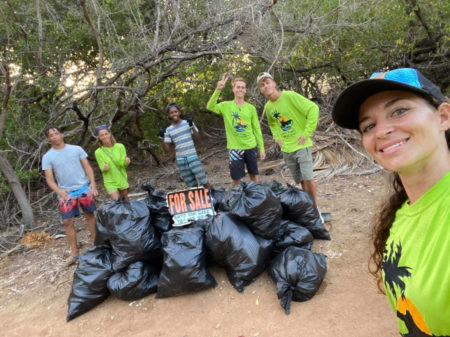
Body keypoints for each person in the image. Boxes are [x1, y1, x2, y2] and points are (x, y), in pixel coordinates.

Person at [331, 68, 450, 336]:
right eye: (369, 126)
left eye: (399, 111)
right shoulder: (399, 214)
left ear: (443, 117)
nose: (382, 131)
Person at [257, 72, 327, 226]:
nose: (265, 86)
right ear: (261, 89)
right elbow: (273, 124)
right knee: (301, 180)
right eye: (262, 85)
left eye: (267, 82)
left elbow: (313, 109)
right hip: (287, 148)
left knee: (308, 178)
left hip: (301, 145)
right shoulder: (268, 107)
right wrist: (277, 138)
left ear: (274, 83)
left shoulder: (289, 96)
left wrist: (307, 133)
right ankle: (308, 207)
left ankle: (315, 210)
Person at [42, 126, 98, 266]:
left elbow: (87, 167)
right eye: (51, 135)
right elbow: (49, 178)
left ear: (61, 134)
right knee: (67, 222)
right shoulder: (48, 156)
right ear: (48, 139)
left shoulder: (76, 149)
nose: (55, 136)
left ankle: (96, 245)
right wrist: (59, 191)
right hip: (66, 193)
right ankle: (75, 253)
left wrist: (93, 183)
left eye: (56, 133)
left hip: (84, 187)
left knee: (90, 214)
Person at [207, 74, 266, 186]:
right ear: (233, 89)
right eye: (238, 87)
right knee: (236, 179)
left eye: (243, 87)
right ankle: (234, 199)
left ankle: (258, 196)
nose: (240, 89)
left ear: (246, 90)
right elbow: (210, 106)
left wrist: (262, 148)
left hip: (250, 147)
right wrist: (218, 90)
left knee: (254, 175)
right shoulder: (226, 106)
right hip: (235, 149)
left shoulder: (250, 108)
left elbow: (257, 129)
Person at [160, 102, 210, 188]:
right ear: (168, 115)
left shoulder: (188, 123)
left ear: (179, 112)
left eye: (175, 111)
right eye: (171, 113)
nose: (174, 114)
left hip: (192, 157)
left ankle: (213, 198)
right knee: (192, 186)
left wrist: (192, 127)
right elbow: (167, 150)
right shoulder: (168, 130)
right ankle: (197, 201)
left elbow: (199, 141)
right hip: (181, 160)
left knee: (204, 181)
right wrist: (162, 138)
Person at [94, 125, 131, 201]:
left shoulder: (120, 147)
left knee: (125, 201)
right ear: (99, 138)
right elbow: (102, 168)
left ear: (110, 134)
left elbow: (122, 165)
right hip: (110, 180)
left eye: (106, 134)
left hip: (121, 177)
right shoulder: (98, 152)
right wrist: (105, 168)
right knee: (117, 202)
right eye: (102, 135)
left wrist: (126, 162)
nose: (105, 136)